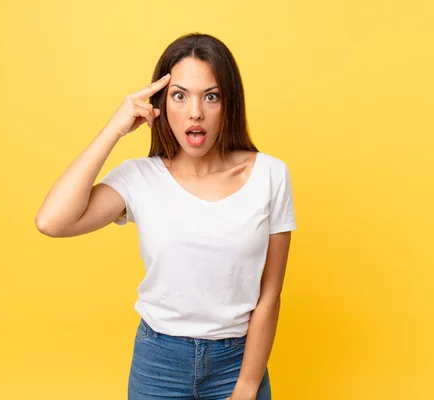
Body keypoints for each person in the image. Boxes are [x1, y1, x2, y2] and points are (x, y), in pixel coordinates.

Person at [35, 33, 297, 400]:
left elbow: (270, 295)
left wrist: (247, 385)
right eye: (179, 95)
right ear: (160, 104)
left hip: (238, 363)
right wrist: (115, 128)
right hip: (159, 363)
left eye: (211, 96)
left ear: (229, 103)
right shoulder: (140, 178)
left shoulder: (270, 175)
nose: (195, 112)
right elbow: (52, 221)